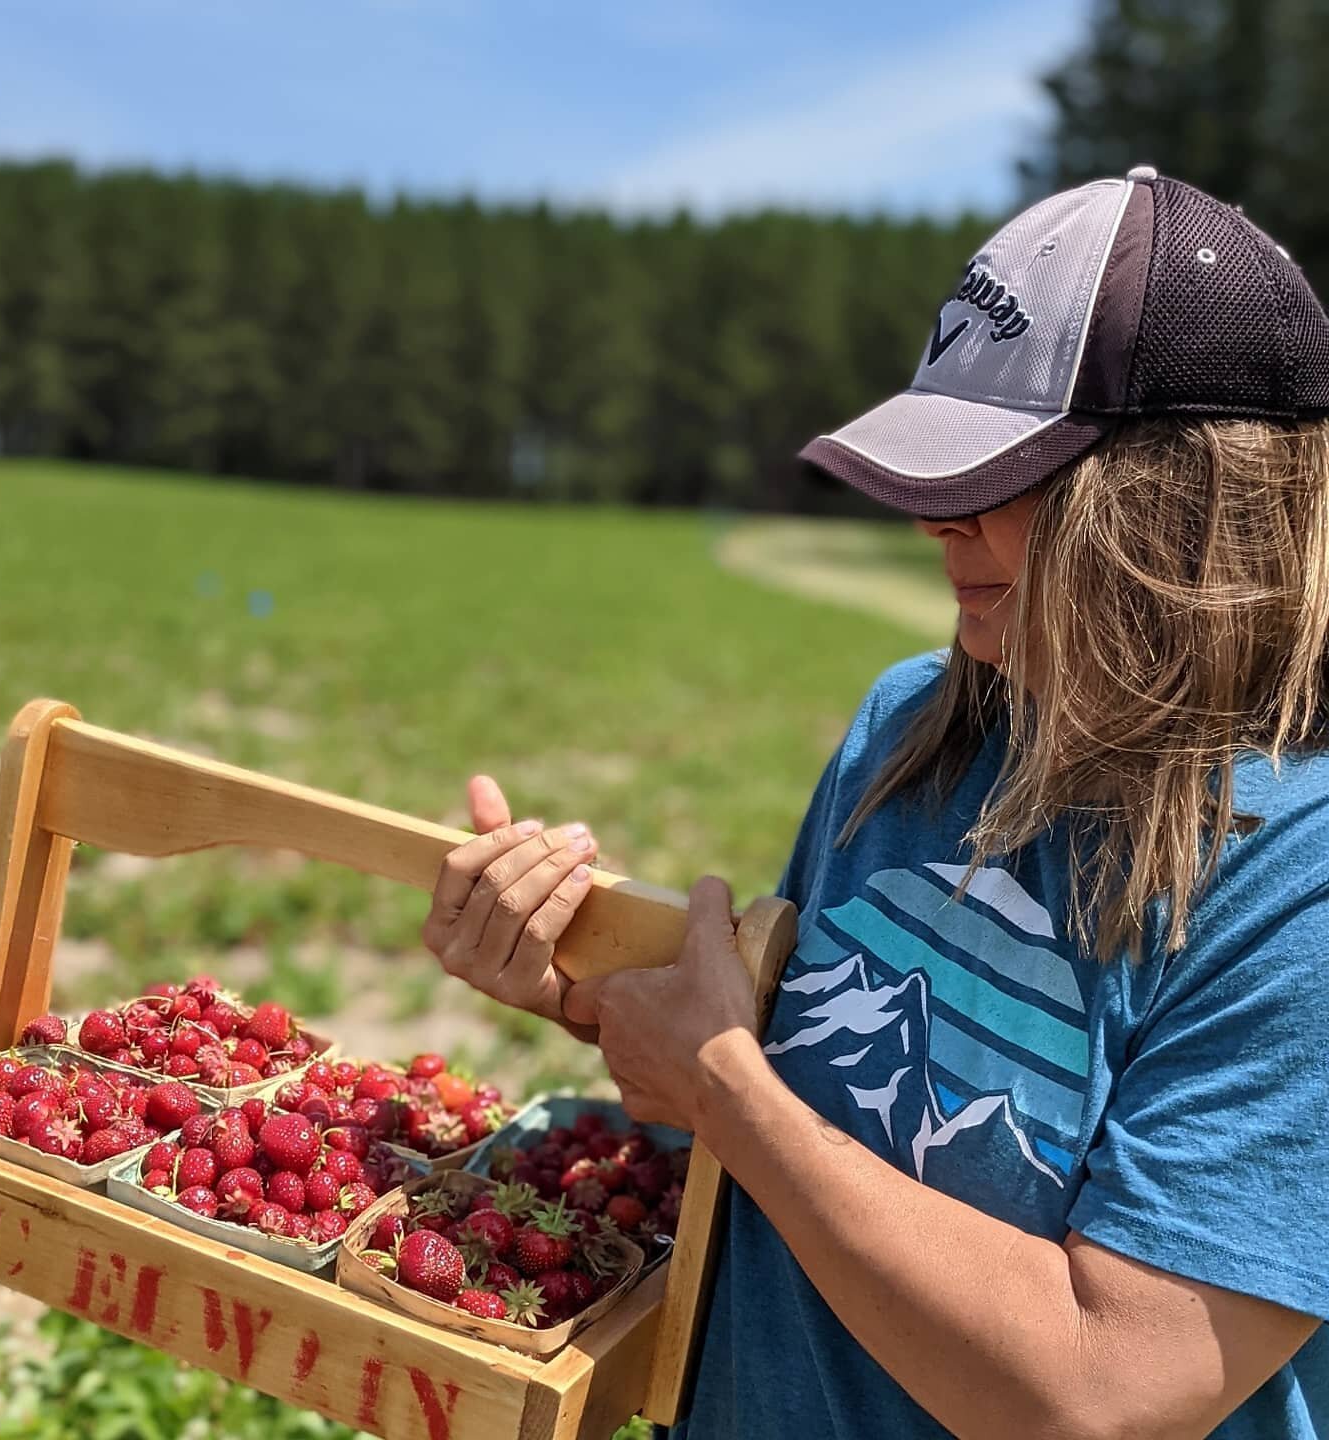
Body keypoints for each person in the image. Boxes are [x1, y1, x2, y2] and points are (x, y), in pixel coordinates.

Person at [420, 167, 1329, 1438]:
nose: (931, 524)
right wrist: (573, 971)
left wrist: (724, 1084)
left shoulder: (1299, 882)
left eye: (991, 477)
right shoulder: (915, 725)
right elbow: (809, 1073)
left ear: (1181, 506)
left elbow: (1103, 1390)